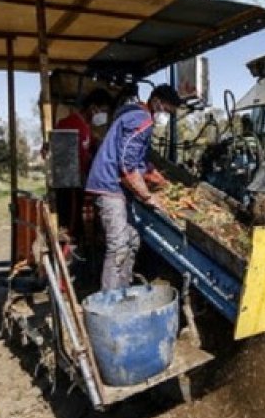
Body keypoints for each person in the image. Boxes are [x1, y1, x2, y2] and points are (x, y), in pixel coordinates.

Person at [85, 84, 184, 291]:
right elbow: (127, 165)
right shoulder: (142, 119)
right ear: (156, 102)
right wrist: (148, 197)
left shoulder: (138, 116)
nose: (166, 115)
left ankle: (124, 290)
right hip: (109, 185)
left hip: (118, 187)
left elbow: (138, 160)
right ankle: (110, 301)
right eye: (167, 110)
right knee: (119, 245)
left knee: (132, 240)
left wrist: (156, 177)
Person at [55, 88, 114, 240]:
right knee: (70, 226)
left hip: (79, 181)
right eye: (104, 111)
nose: (104, 115)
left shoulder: (85, 126)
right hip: (70, 185)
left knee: (78, 225)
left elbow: (88, 145)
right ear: (93, 108)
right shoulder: (68, 124)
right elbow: (63, 160)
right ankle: (69, 253)